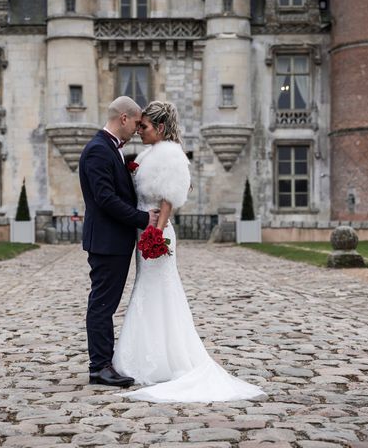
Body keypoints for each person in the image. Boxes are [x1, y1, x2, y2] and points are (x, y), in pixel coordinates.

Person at [112, 101, 265, 403]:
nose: (139, 131)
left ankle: (161, 361)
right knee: (147, 290)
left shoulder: (170, 156)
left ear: (161, 129)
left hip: (157, 232)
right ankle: (150, 355)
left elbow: (168, 198)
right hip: (145, 229)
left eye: (144, 127)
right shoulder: (149, 154)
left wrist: (156, 233)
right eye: (139, 126)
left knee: (156, 291)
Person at [78, 96, 160, 387]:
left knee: (105, 303)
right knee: (102, 304)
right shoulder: (99, 150)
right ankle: (99, 367)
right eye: (137, 123)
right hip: (106, 241)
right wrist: (143, 219)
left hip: (112, 241)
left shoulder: (109, 149)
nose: (138, 129)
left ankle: (104, 362)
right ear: (123, 118)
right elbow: (105, 199)